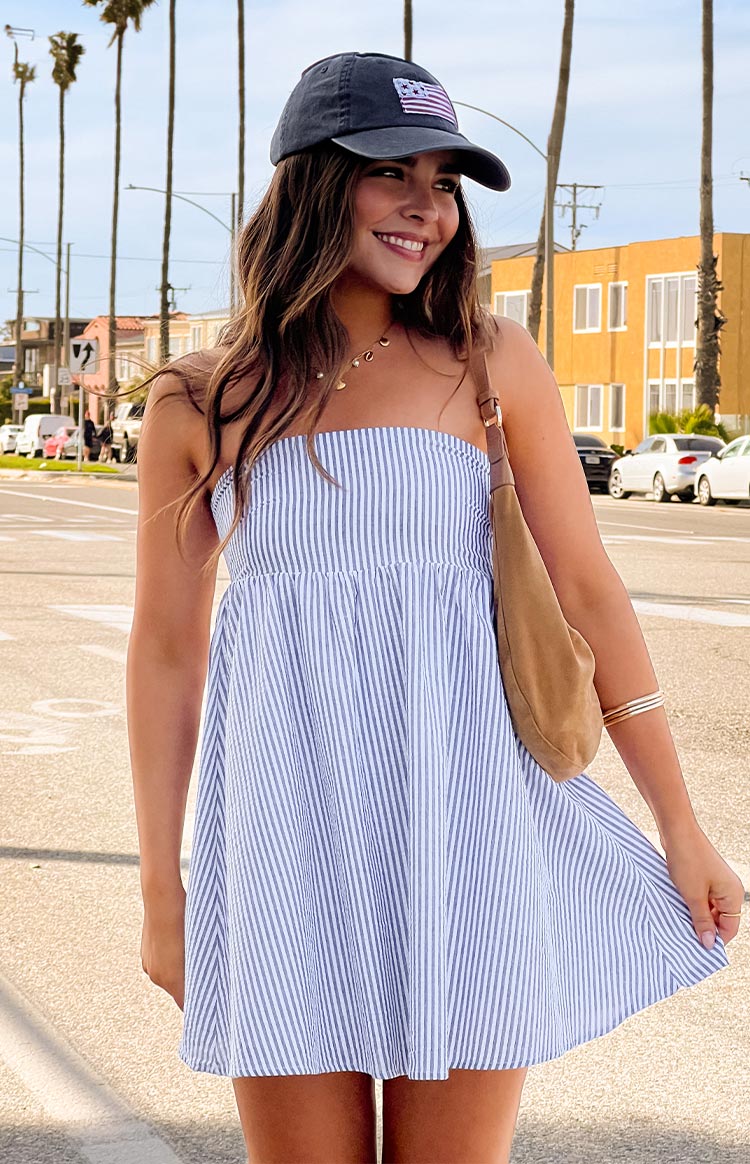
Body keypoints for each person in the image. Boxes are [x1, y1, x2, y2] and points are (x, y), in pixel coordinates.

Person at [127, 52, 743, 1164]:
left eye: (446, 182)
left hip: (463, 836)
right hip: (279, 843)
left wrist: (681, 823)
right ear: (313, 184)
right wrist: (162, 886)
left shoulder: (491, 361)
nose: (429, 208)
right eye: (390, 173)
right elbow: (166, 655)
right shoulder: (203, 398)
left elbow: (590, 596)